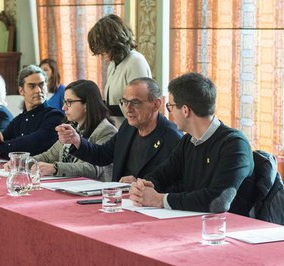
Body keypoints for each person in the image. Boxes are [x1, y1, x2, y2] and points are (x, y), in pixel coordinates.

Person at [129, 72, 254, 214]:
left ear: (185, 110)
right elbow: (162, 174)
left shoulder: (235, 145)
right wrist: (143, 186)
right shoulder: (188, 141)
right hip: (193, 224)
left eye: (170, 107)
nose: (170, 113)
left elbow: (218, 202)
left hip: (227, 230)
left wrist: (160, 200)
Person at [56, 77, 182, 182]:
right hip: (121, 199)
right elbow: (102, 155)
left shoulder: (172, 137)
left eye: (135, 102)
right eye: (124, 102)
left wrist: (140, 183)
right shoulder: (128, 127)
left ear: (156, 105)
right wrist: (77, 141)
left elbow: (178, 183)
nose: (128, 109)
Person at [32, 80, 117, 181]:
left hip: (94, 192)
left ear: (86, 104)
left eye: (69, 102)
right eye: (64, 102)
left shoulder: (106, 130)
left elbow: (93, 169)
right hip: (69, 187)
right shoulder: (73, 127)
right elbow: (48, 156)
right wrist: (23, 162)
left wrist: (55, 168)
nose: (64, 107)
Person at [0, 65, 65, 159]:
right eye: (32, 86)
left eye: (41, 85)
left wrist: (0, 148)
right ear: (21, 91)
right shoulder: (19, 120)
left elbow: (36, 141)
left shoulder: (55, 115)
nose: (38, 90)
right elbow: (1, 142)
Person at [88, 14, 151, 122]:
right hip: (117, 129)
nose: (100, 53)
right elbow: (113, 102)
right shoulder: (113, 65)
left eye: (102, 47)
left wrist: (102, 108)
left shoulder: (135, 61)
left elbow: (139, 105)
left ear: (113, 42)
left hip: (134, 130)